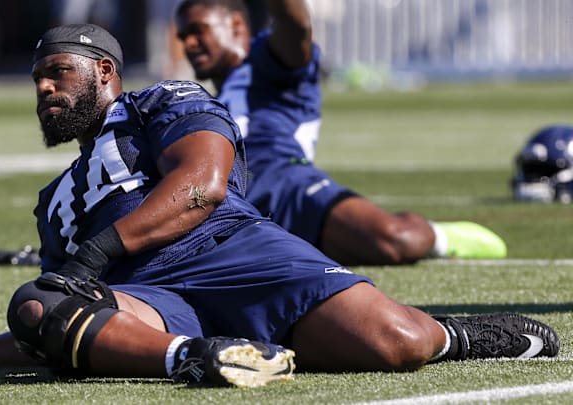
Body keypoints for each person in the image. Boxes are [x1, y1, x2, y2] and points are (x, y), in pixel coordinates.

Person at [0, 23, 559, 387]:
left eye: (56, 74)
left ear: (103, 72)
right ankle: (201, 357)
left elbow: (204, 182)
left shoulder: (163, 101)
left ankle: (459, 334)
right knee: (36, 303)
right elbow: (63, 321)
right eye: (36, 79)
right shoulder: (55, 201)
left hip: (232, 251)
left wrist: (101, 250)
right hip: (155, 306)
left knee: (395, 345)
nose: (43, 90)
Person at [174, 0, 508, 265]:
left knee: (393, 240)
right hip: (237, 207)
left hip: (287, 188)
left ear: (235, 24)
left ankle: (441, 237)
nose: (188, 43)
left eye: (197, 30)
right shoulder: (205, 99)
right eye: (182, 36)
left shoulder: (267, 59)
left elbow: (297, 25)